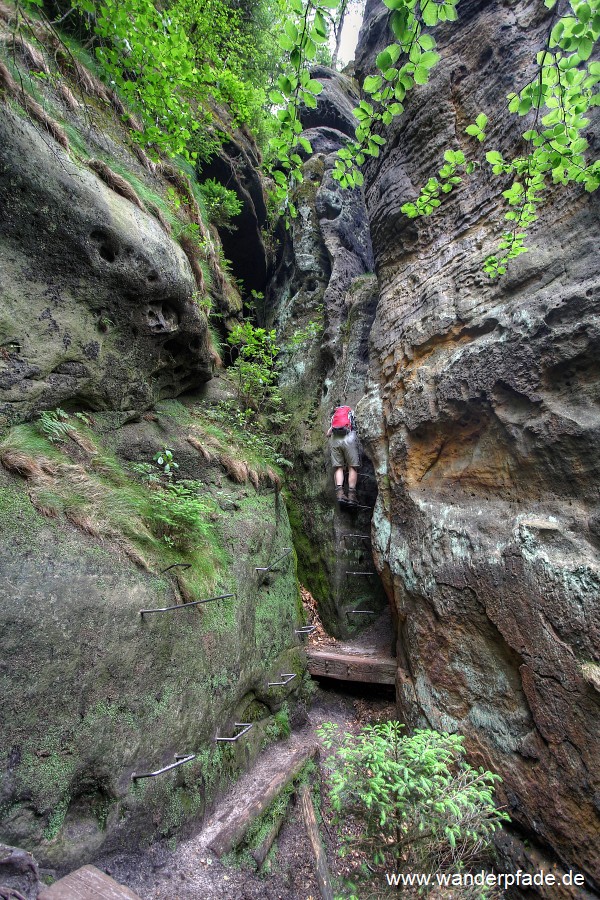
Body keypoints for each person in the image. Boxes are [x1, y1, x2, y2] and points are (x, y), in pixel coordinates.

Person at [326, 405, 359, 506]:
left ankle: (340, 494)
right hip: (349, 439)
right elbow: (355, 427)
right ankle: (351, 496)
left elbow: (328, 434)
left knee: (338, 467)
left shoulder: (334, 418)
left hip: (335, 440)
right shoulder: (351, 413)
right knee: (352, 467)